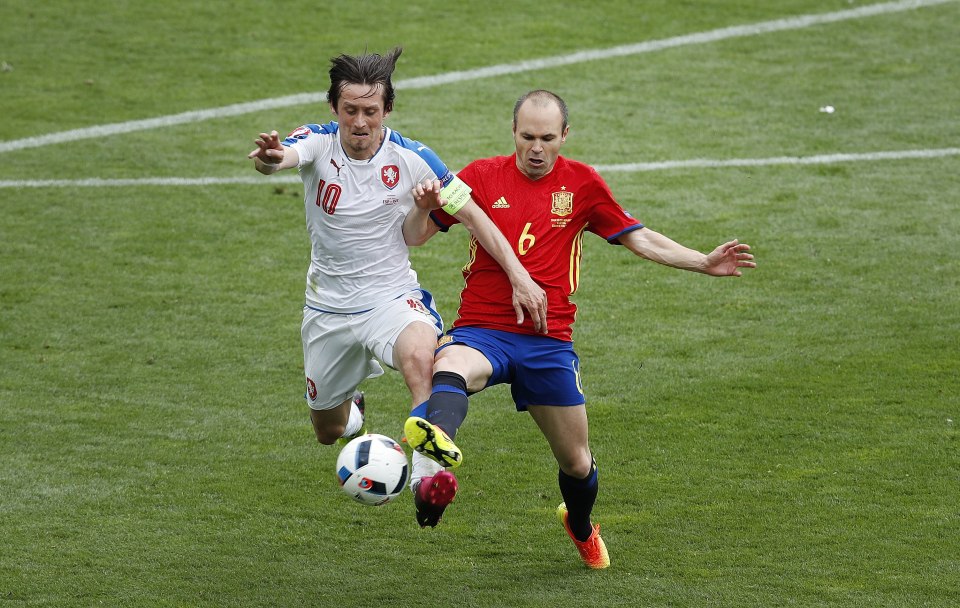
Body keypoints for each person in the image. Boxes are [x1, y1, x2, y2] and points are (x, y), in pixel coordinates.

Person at [402, 89, 756, 568]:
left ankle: (580, 524)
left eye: (547, 138)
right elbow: (417, 236)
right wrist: (423, 206)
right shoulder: (480, 176)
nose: (536, 148)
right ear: (513, 133)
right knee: (451, 364)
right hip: (484, 328)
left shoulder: (583, 184)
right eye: (527, 136)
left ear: (564, 135)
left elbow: (638, 236)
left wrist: (702, 262)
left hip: (548, 344)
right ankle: (437, 452)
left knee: (577, 462)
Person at [246, 49, 546, 492]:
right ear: (335, 108)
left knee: (422, 360)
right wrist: (269, 158)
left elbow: (475, 215)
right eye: (350, 110)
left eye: (371, 111)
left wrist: (519, 275)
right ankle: (354, 414)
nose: (360, 122)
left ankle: (427, 477)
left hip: (392, 298)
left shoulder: (413, 157)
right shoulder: (317, 141)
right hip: (328, 309)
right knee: (328, 430)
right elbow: (277, 159)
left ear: (387, 110)